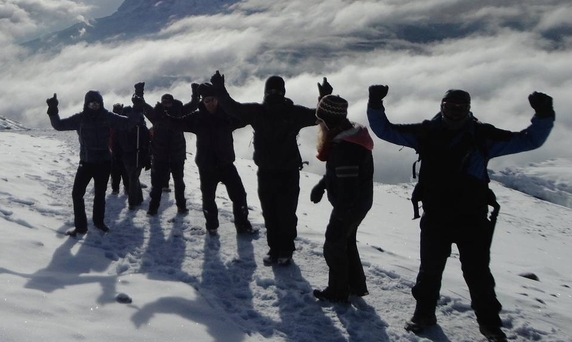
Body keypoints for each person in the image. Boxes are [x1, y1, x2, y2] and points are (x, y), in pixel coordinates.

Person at [367, 86, 554, 341]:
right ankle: (424, 315)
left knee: (477, 275)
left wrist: (544, 115)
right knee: (431, 271)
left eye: (460, 107)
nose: (455, 112)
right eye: (450, 106)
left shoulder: (482, 136)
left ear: (468, 109)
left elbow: (529, 139)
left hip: (471, 218)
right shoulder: (427, 132)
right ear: (441, 106)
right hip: (438, 216)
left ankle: (489, 324)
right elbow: (384, 130)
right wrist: (375, 104)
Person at [210, 71, 332, 266]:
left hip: (269, 172)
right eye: (273, 90)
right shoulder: (291, 112)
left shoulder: (258, 112)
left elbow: (232, 108)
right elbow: (319, 116)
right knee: (284, 212)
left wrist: (219, 88)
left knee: (272, 212)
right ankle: (282, 250)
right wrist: (324, 98)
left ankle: (278, 250)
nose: (274, 94)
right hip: (286, 173)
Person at [150, 83, 256, 236]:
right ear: (203, 102)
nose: (210, 103)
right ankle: (211, 226)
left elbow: (243, 114)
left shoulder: (226, 116)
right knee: (208, 199)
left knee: (239, 196)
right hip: (206, 167)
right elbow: (177, 124)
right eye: (207, 101)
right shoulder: (197, 118)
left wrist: (224, 93)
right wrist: (164, 116)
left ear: (217, 99)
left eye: (212, 99)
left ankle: (243, 226)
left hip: (226, 164)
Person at [46, 90, 145, 236]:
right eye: (91, 103)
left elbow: (128, 123)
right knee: (77, 194)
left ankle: (99, 223)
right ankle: (81, 227)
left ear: (101, 103)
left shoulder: (107, 116)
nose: (94, 106)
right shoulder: (80, 118)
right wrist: (53, 110)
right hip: (86, 162)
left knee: (100, 194)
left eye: (97, 103)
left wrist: (137, 109)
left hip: (104, 162)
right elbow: (59, 125)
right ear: (86, 104)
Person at [308, 95, 374, 303]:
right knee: (346, 242)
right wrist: (322, 185)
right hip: (358, 202)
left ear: (329, 121)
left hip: (350, 205)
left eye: (320, 119)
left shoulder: (346, 148)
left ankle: (338, 291)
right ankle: (355, 285)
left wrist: (339, 216)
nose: (318, 123)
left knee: (334, 245)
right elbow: (338, 174)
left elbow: (348, 188)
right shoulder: (346, 137)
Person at [132, 83, 200, 216]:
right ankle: (153, 208)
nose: (166, 104)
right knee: (157, 185)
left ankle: (181, 206)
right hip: (160, 155)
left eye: (168, 102)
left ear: (172, 102)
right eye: (164, 101)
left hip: (177, 155)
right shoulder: (156, 114)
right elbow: (142, 105)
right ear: (162, 102)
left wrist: (195, 92)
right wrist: (139, 92)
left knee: (179, 182)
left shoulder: (180, 112)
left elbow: (194, 105)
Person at [113, 104, 150, 209]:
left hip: (129, 156)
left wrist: (117, 155)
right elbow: (147, 143)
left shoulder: (121, 126)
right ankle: (134, 201)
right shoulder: (141, 127)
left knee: (133, 177)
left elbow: (116, 143)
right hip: (136, 156)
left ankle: (136, 200)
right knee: (133, 177)